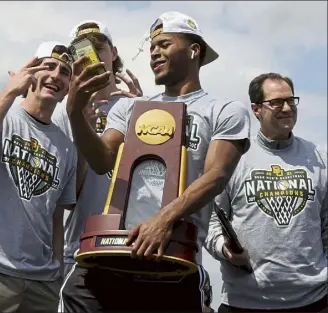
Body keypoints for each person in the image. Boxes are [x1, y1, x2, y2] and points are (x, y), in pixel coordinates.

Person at [65, 11, 251, 312]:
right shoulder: (129, 108)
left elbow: (217, 176)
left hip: (172, 260)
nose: (154, 52)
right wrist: (75, 114)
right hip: (110, 256)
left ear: (194, 50)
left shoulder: (225, 111)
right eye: (152, 47)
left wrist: (163, 220)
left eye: (164, 44)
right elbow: (102, 162)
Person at [206, 73, 328, 313]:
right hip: (244, 303)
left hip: (313, 301)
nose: (286, 107)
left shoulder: (320, 158)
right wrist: (224, 248)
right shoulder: (233, 158)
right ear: (256, 109)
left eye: (291, 101)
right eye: (276, 102)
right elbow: (211, 222)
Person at [0, 42, 79, 313]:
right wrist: (10, 90)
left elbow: (58, 215)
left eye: (65, 72)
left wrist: (56, 269)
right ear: (31, 71)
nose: (56, 75)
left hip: (41, 284)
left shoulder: (67, 148)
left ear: (69, 87)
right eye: (49, 66)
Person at [53, 20, 143, 311]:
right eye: (81, 50)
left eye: (98, 46)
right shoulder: (64, 115)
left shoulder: (142, 105)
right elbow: (63, 199)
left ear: (113, 52)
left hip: (133, 248)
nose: (90, 54)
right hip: (81, 248)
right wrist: (80, 125)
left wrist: (148, 114)